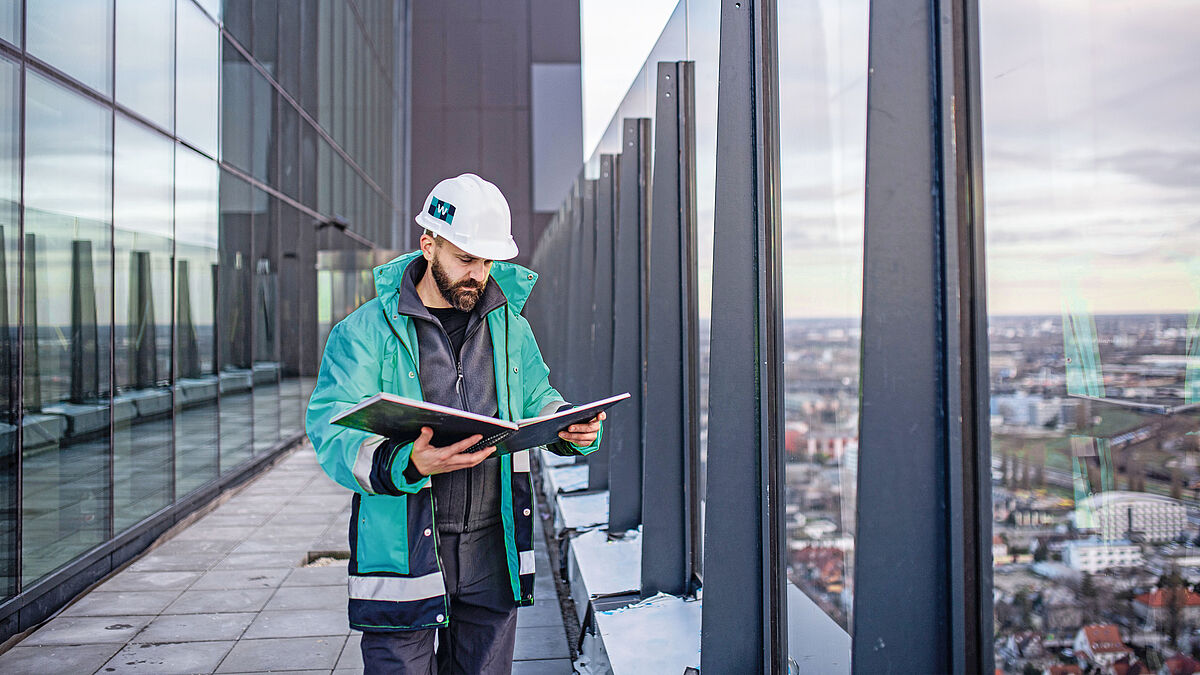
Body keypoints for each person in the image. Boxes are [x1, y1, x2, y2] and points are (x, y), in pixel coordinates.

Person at [305, 172, 604, 674]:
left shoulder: (510, 325)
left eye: (488, 261)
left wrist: (565, 426)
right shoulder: (363, 332)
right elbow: (332, 430)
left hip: (492, 547)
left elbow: (538, 396)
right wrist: (406, 461)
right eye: (466, 258)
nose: (479, 274)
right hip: (404, 551)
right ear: (429, 244)